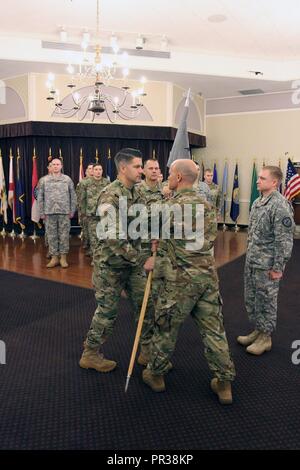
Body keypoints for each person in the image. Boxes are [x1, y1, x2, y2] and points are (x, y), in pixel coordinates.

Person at [142, 159, 235, 405]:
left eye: (170, 173)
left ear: (179, 178)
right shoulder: (207, 206)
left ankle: (156, 374)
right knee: (214, 331)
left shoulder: (168, 207)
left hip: (178, 281)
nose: (167, 177)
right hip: (206, 277)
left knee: (166, 328)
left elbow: (151, 234)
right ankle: (224, 383)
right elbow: (210, 239)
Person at [79, 148, 156, 373]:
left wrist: (154, 237)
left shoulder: (138, 193)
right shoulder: (109, 195)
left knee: (145, 305)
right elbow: (113, 237)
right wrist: (141, 260)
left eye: (142, 166)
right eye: (137, 166)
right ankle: (90, 353)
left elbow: (143, 222)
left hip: (132, 265)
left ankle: (147, 350)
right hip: (110, 266)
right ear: (123, 168)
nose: (141, 170)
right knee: (107, 312)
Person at [237, 166, 294, 355]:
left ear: (274, 182)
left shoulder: (280, 205)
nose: (257, 180)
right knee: (253, 298)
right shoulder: (258, 202)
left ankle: (266, 338)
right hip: (253, 261)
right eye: (258, 177)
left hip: (268, 264)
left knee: (267, 300)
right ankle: (258, 330)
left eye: (262, 178)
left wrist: (278, 267)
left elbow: (284, 240)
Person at [38, 158, 77, 268]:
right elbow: (40, 197)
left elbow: (73, 196)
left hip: (64, 212)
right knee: (51, 235)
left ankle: (63, 258)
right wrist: (42, 212)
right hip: (49, 212)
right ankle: (54, 258)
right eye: (53, 164)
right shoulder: (44, 180)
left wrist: (72, 210)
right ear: (51, 166)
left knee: (64, 235)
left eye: (57, 164)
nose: (55, 166)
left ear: (61, 166)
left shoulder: (67, 179)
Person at [81, 163, 109, 261]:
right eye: (96, 169)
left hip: (104, 215)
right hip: (91, 214)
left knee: (104, 237)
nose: (98, 171)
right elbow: (82, 199)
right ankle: (95, 258)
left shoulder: (107, 183)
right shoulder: (85, 183)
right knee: (93, 237)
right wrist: (83, 213)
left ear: (102, 171)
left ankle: (103, 257)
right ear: (92, 171)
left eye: (100, 169)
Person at [76, 163, 94, 256]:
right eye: (89, 169)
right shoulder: (82, 183)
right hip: (85, 211)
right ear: (86, 171)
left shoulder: (100, 181)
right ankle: (87, 245)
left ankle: (92, 249)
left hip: (95, 212)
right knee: (87, 230)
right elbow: (79, 198)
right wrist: (81, 211)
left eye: (93, 168)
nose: (91, 170)